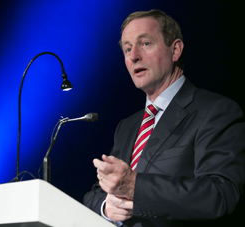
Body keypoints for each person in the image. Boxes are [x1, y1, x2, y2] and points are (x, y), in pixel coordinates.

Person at [83, 9, 245, 226]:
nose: (133, 56)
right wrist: (106, 207)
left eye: (145, 44)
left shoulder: (216, 111)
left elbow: (220, 195)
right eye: (127, 48)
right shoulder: (127, 126)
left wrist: (134, 187)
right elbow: (95, 193)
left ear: (175, 50)